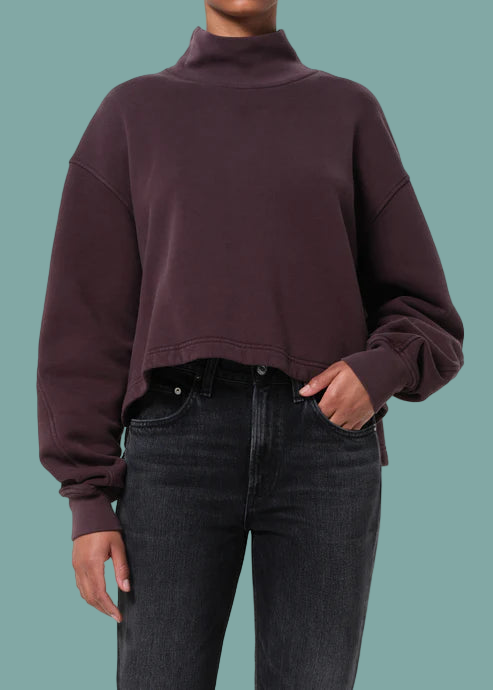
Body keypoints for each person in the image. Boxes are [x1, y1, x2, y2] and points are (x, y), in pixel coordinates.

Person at [36, 1, 464, 688]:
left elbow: (429, 313)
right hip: (175, 448)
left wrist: (381, 369)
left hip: (323, 445)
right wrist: (86, 498)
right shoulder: (130, 113)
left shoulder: (348, 111)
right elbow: (83, 321)